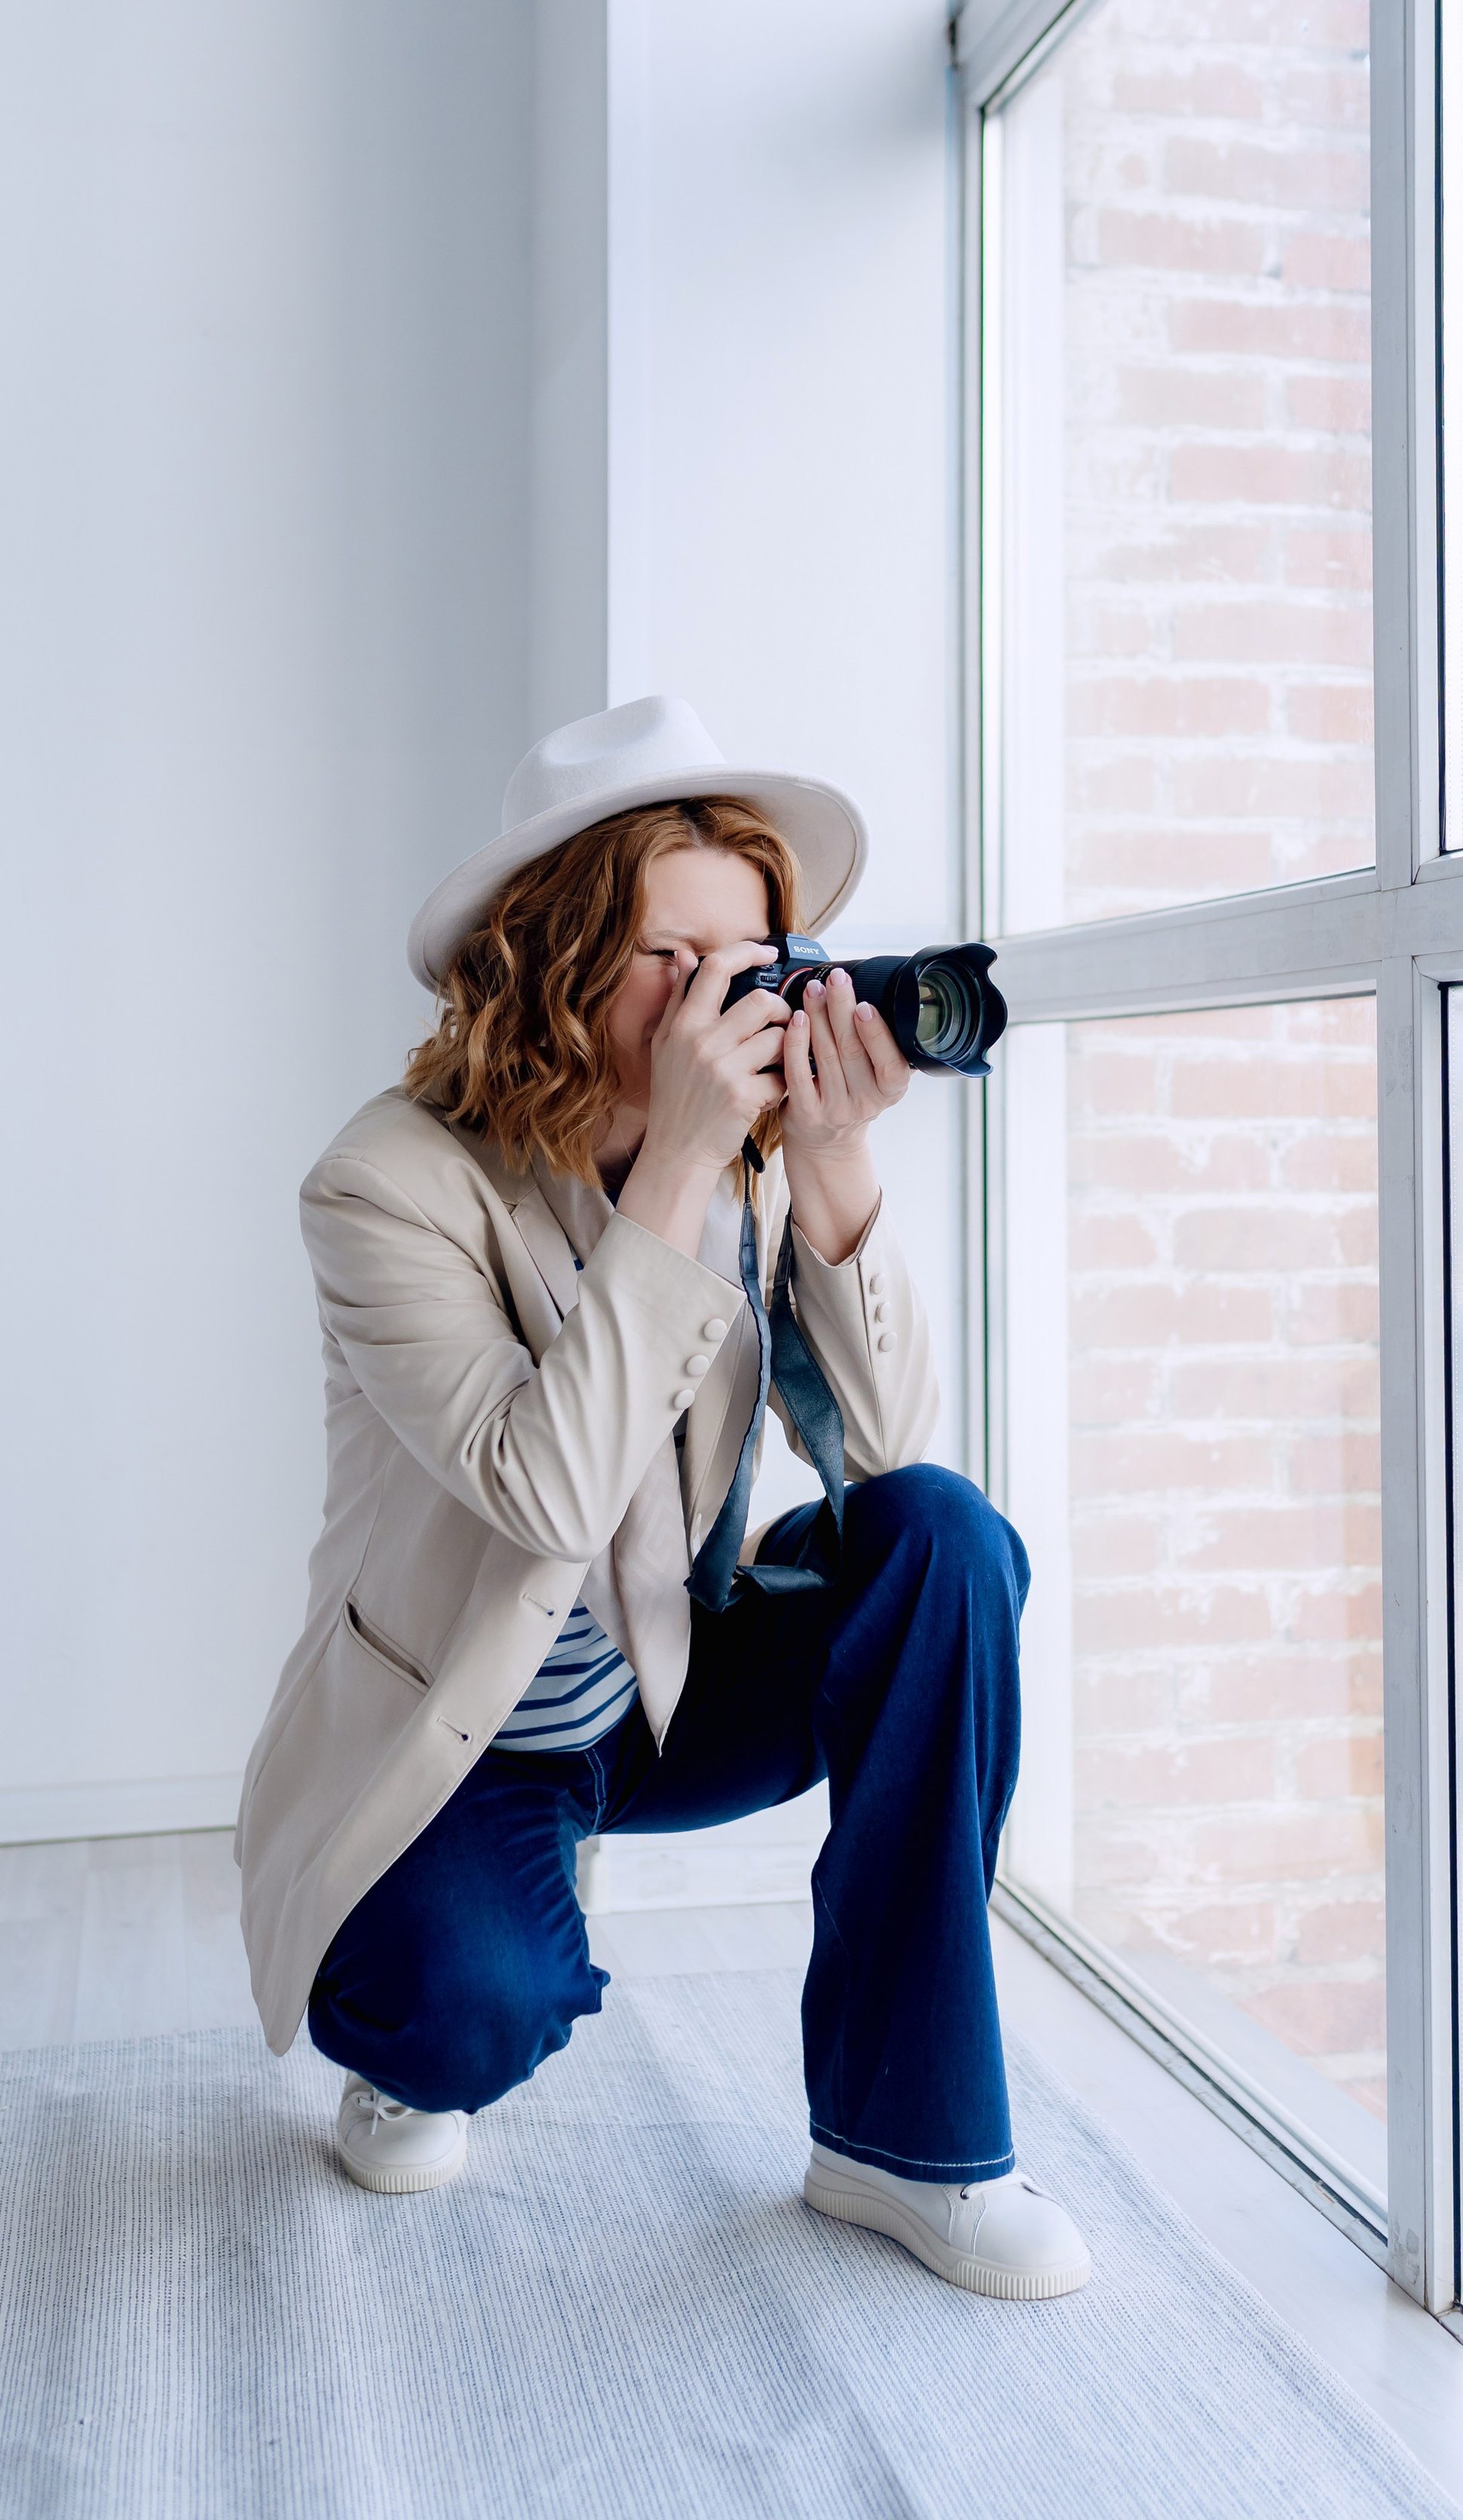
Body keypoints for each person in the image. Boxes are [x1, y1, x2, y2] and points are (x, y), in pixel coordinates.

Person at [235, 696, 1090, 2301]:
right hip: (465, 1734)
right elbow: (543, 1490)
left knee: (948, 1542)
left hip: (665, 1684)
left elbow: (891, 1455)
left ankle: (905, 2141)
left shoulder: (753, 1160)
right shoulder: (387, 1184)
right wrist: (682, 1167)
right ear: (549, 960)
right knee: (467, 2013)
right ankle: (407, 2038)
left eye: (749, 956)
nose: (723, 999)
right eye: (671, 958)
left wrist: (831, 1165)